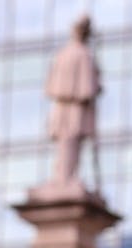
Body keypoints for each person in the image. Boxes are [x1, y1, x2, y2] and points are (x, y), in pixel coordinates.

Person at [45, 14, 101, 186]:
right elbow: (88, 90)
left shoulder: (63, 55)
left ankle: (63, 177)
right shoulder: (83, 55)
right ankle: (65, 178)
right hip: (74, 108)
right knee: (70, 142)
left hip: (64, 107)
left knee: (66, 143)